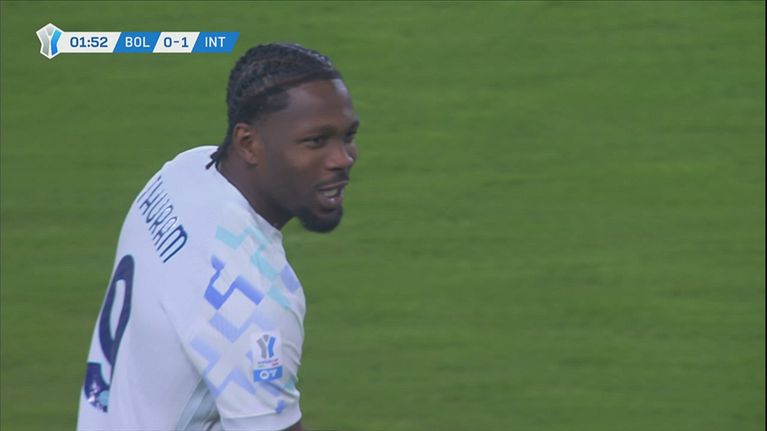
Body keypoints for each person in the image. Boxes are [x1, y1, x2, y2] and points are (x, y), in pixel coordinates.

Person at [77, 43, 359, 431]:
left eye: (348, 136)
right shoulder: (253, 299)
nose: (343, 158)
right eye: (316, 140)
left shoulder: (183, 172)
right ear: (248, 144)